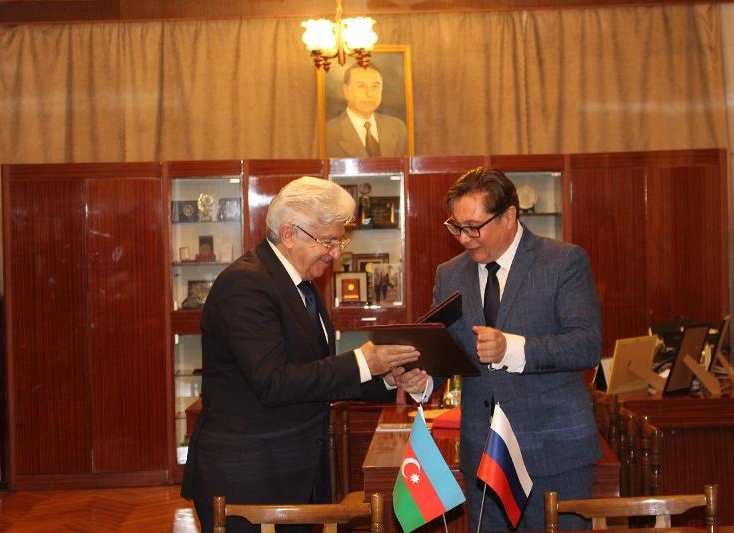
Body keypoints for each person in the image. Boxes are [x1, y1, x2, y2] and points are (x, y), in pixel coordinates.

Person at [181, 177, 419, 533]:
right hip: (249, 484)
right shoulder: (245, 285)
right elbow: (273, 382)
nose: (336, 253)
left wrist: (385, 378)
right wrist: (363, 362)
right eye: (328, 241)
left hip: (295, 475)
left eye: (339, 241)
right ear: (289, 234)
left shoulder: (301, 284)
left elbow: (314, 375)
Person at [396, 167, 602, 531]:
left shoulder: (563, 261)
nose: (464, 238)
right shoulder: (450, 274)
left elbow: (585, 344)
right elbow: (446, 349)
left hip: (553, 452)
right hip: (483, 454)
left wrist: (512, 348)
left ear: (509, 215)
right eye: (457, 227)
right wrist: (423, 381)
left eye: (474, 227)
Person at [325, 63, 407, 158]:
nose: (369, 94)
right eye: (361, 86)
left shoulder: (397, 128)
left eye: (375, 86)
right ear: (346, 91)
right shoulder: (328, 133)